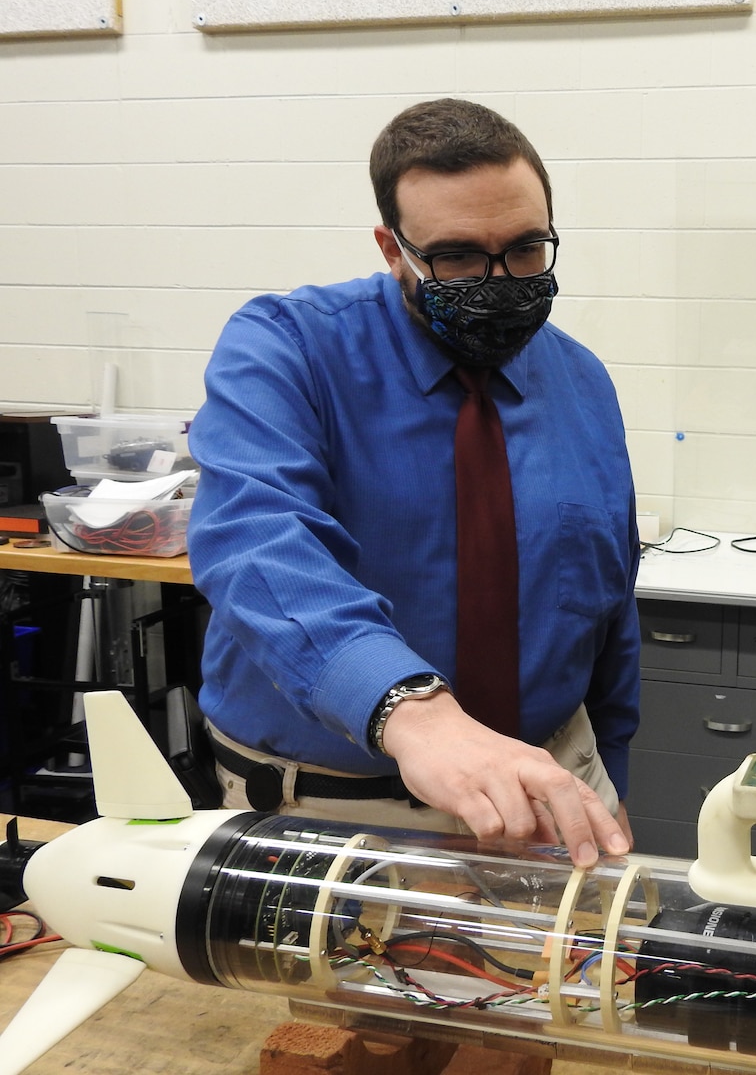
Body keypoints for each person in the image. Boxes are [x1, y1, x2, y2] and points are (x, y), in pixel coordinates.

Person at [187, 99, 639, 868]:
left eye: (526, 248)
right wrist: (416, 714)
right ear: (391, 248)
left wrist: (611, 780)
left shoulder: (581, 382)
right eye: (457, 256)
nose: (499, 280)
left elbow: (607, 606)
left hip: (553, 791)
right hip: (332, 814)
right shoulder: (286, 349)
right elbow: (258, 544)